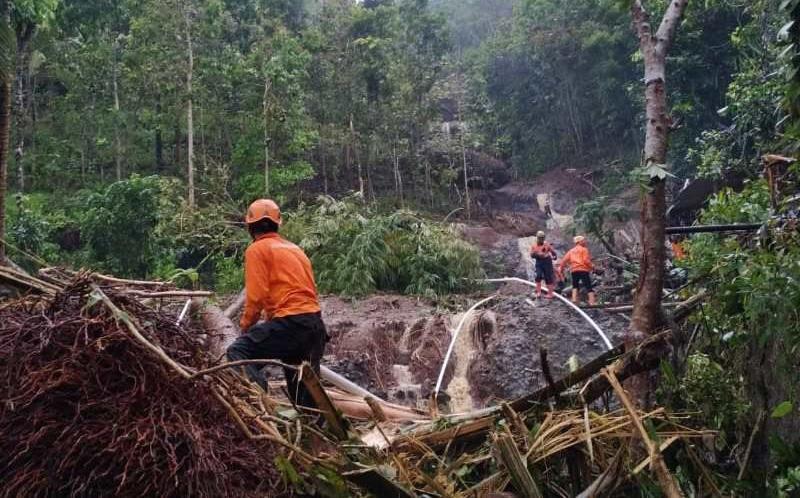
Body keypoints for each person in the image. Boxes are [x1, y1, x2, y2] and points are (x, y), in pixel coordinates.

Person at [227, 199, 328, 409]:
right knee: (305, 400)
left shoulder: (257, 249)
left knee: (238, 354)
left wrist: (246, 328)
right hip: (314, 326)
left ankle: (261, 404)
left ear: (250, 226)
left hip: (291, 324)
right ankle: (317, 435)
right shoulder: (295, 249)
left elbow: (256, 298)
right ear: (277, 224)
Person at [558, 235, 597, 306]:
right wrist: (593, 267)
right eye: (583, 240)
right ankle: (592, 302)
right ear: (579, 242)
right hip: (583, 269)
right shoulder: (584, 249)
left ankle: (574, 300)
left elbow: (564, 261)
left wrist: (561, 269)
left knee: (575, 285)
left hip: (574, 270)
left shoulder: (571, 251)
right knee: (588, 285)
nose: (585, 242)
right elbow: (586, 261)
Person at [530, 230, 558, 299]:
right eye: (540, 238)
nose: (541, 239)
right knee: (538, 275)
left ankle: (550, 293)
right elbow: (531, 255)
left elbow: (554, 253)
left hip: (547, 262)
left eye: (542, 238)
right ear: (537, 238)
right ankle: (538, 292)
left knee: (548, 277)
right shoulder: (534, 245)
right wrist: (537, 254)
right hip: (539, 262)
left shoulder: (546, 244)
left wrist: (554, 257)